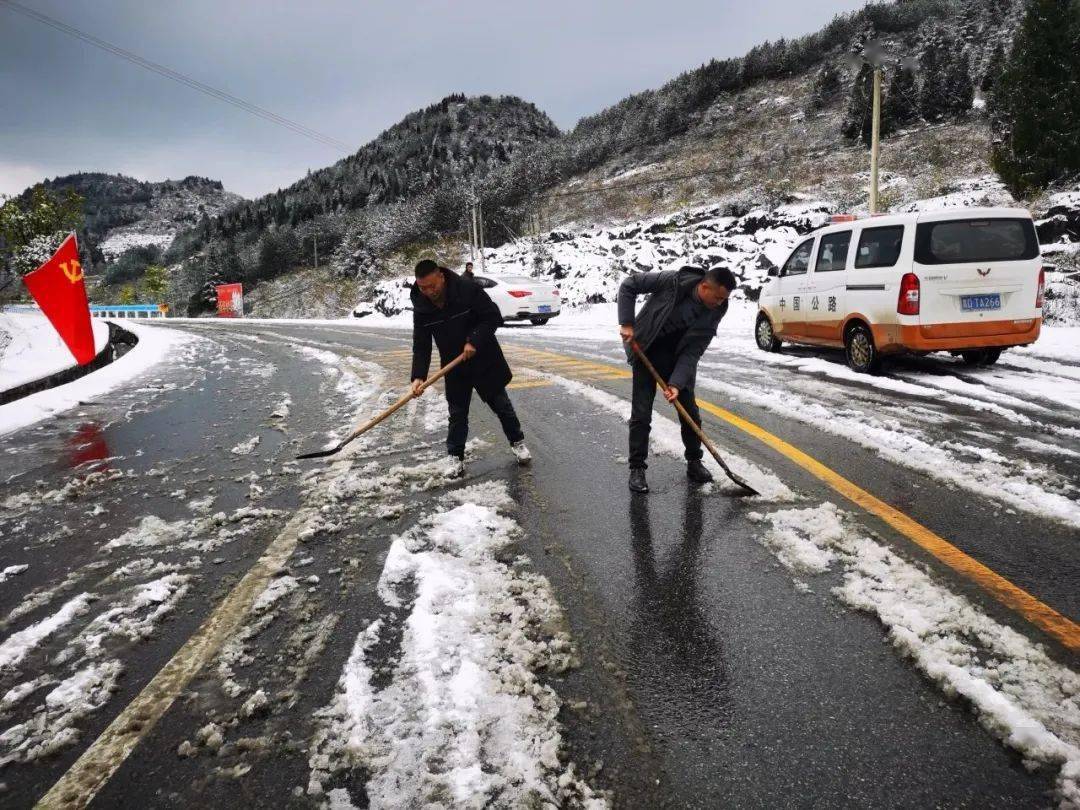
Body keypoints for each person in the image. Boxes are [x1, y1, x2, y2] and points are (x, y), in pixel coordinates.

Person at [617, 265, 736, 493]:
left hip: (679, 357)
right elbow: (629, 285)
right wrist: (627, 323)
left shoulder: (717, 310)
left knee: (689, 411)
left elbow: (694, 349)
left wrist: (676, 383)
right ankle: (637, 469)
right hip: (647, 348)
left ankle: (694, 462)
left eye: (724, 299)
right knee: (641, 413)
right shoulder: (672, 281)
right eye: (718, 297)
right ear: (704, 286)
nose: (720, 303)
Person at [410, 259, 530, 476]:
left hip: (483, 357)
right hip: (453, 366)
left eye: (432, 286)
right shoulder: (421, 306)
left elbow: (492, 316)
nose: (428, 292)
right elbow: (421, 343)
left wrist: (474, 340)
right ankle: (455, 457)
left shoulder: (466, 289)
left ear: (442, 277)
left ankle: (517, 442)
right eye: (423, 287)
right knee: (457, 414)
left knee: (501, 406)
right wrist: (418, 376)